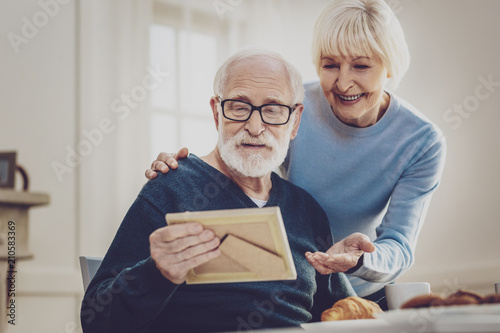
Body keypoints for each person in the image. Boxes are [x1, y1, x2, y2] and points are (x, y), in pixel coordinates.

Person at [145, 0, 446, 310]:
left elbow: (398, 242)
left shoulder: (422, 142)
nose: (343, 82)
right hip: (296, 280)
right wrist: (187, 170)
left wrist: (358, 260)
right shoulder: (290, 106)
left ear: (390, 67)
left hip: (361, 291)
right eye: (330, 65)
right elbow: (245, 157)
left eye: (361, 65)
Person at [81, 48, 376, 333]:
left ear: (295, 120)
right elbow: (96, 321)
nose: (255, 126)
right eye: (239, 107)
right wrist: (156, 273)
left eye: (272, 110)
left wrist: (349, 262)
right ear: (216, 112)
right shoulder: (170, 187)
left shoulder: (306, 210)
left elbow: (352, 316)